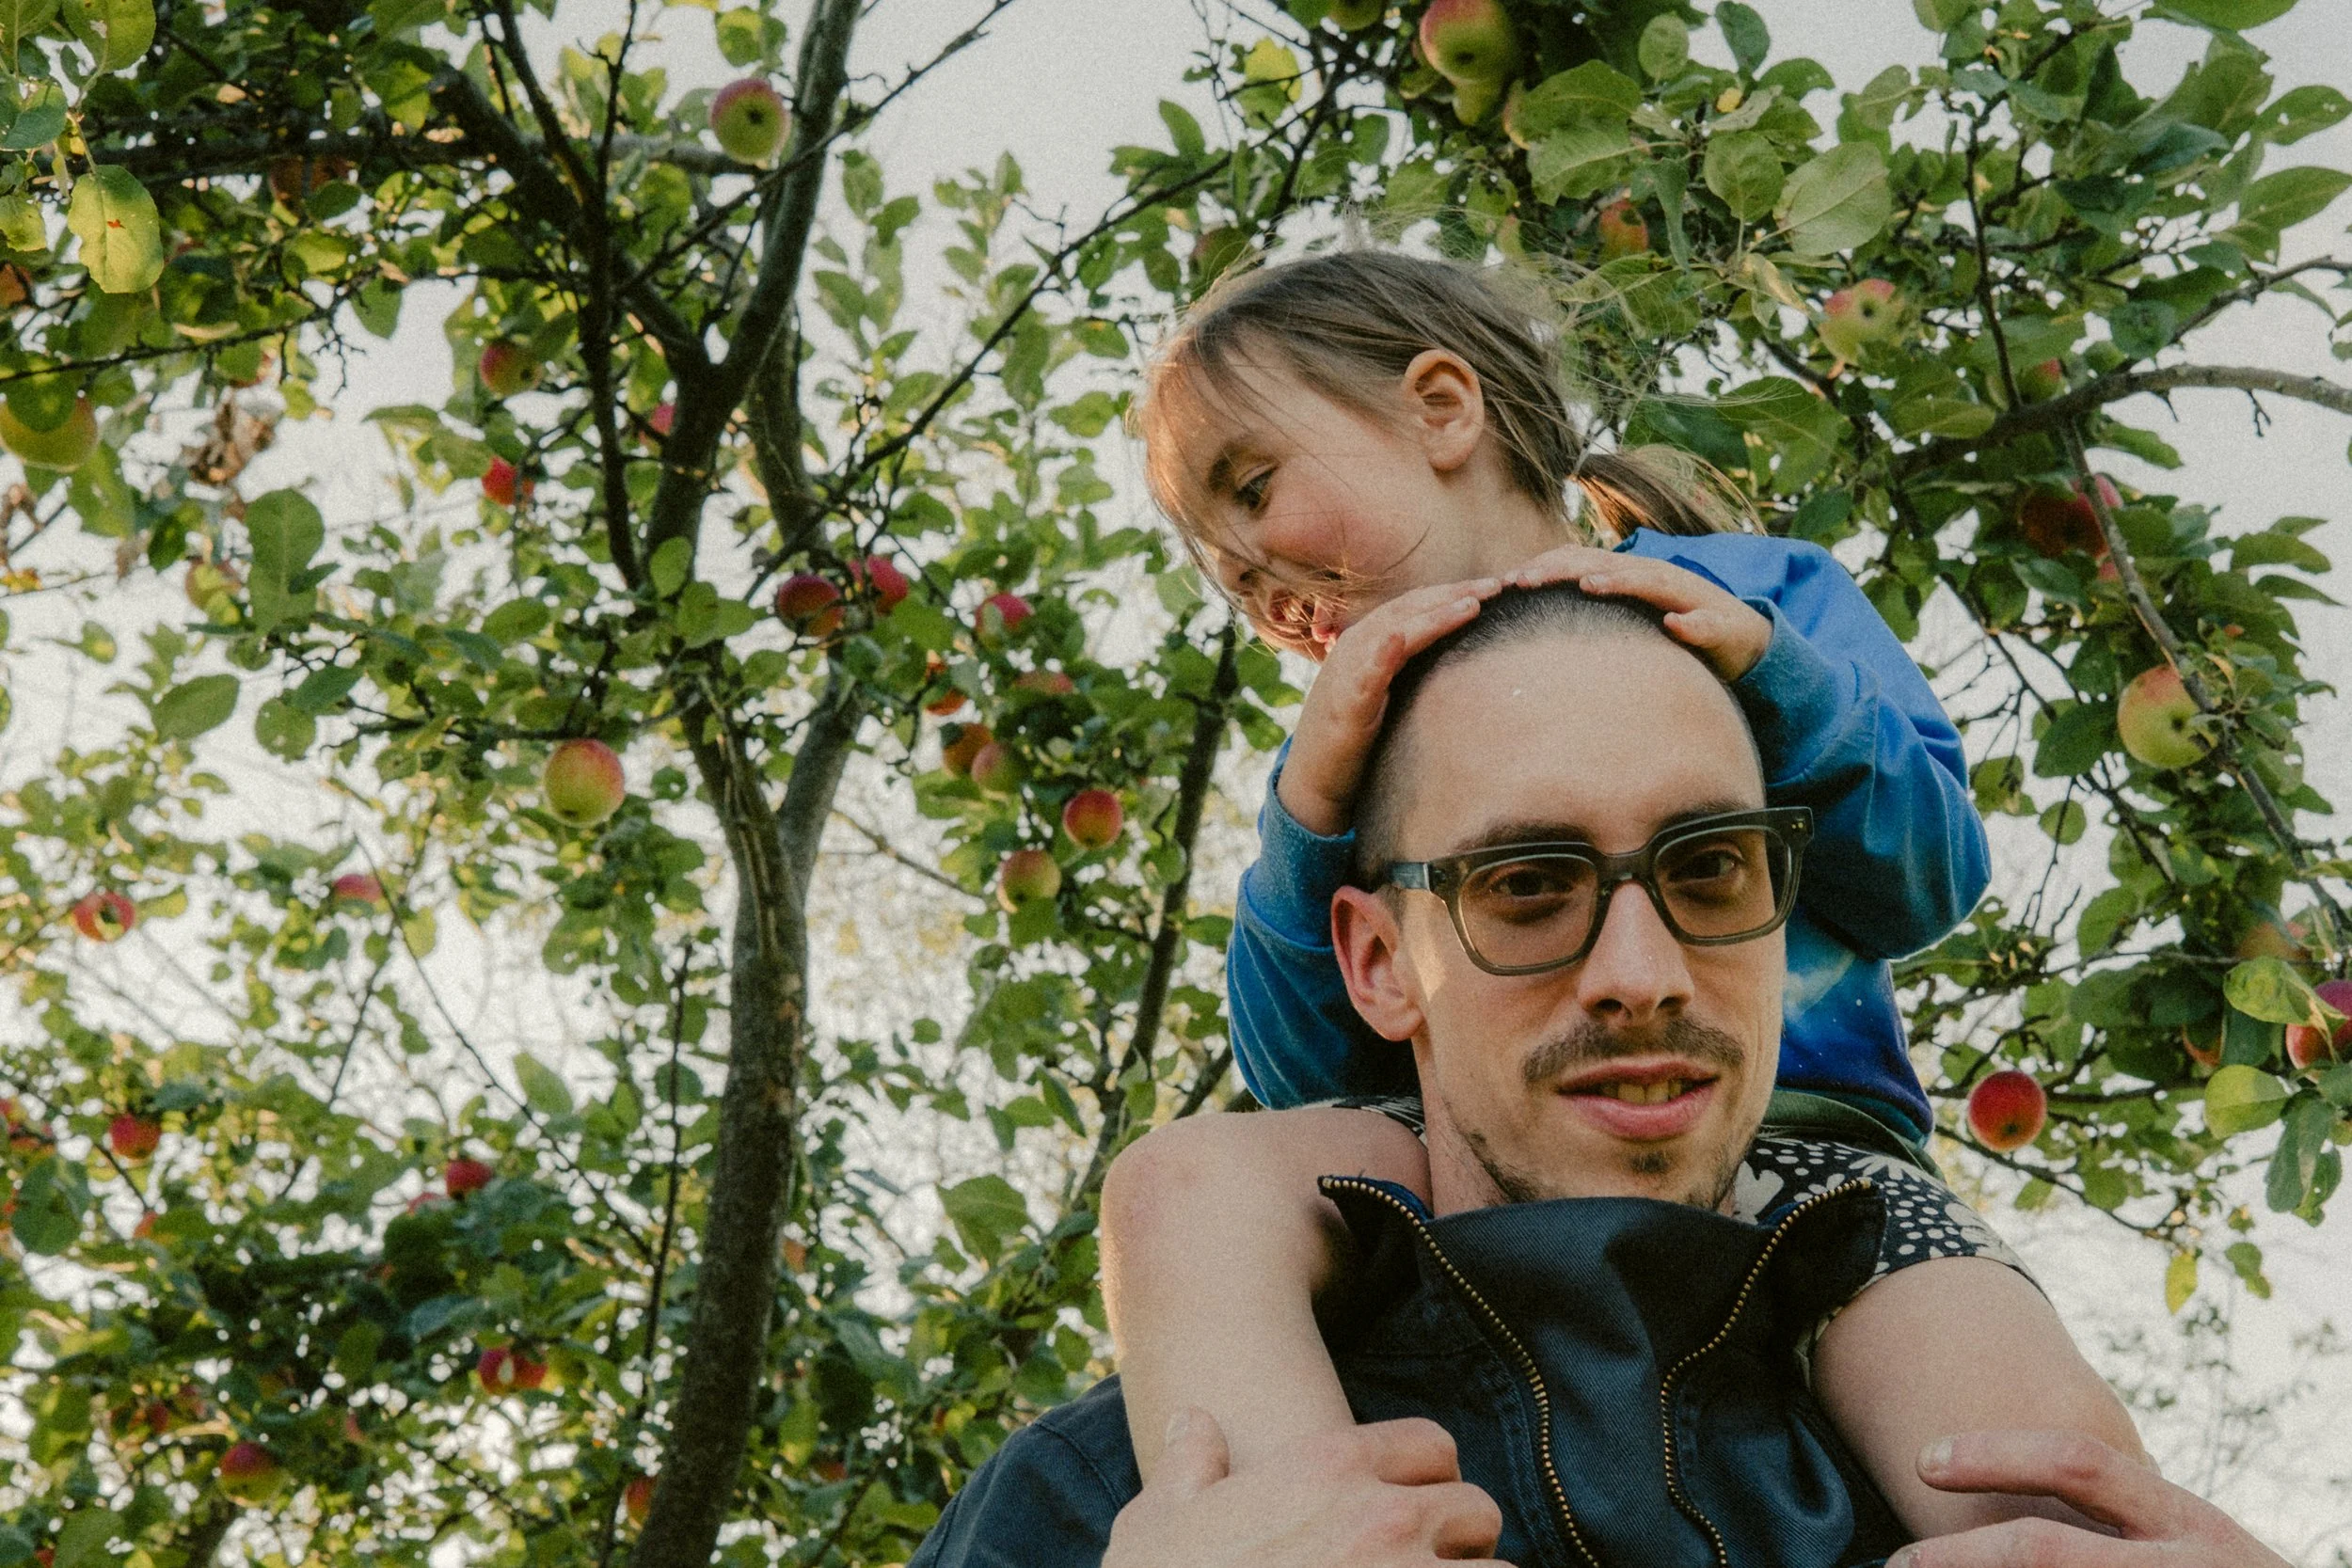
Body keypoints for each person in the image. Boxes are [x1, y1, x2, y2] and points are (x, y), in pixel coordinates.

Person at [910, 585, 2286, 1568]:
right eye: (1526, 883)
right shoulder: (1115, 1506)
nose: (1645, 969)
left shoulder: (1989, 1502)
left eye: (1709, 868)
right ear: (1380, 964)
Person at [1102, 248, 2128, 1532]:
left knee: (2012, 1448)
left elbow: (1929, 876)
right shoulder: (1358, 747)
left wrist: (1772, 676)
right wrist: (1307, 816)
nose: (1250, 568)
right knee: (1184, 1188)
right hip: (1472, 1165)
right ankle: (1303, 1529)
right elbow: (1310, 1069)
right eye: (1224, 570)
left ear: (1441, 407)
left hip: (1806, 1152)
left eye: (1253, 488)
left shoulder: (1759, 595)